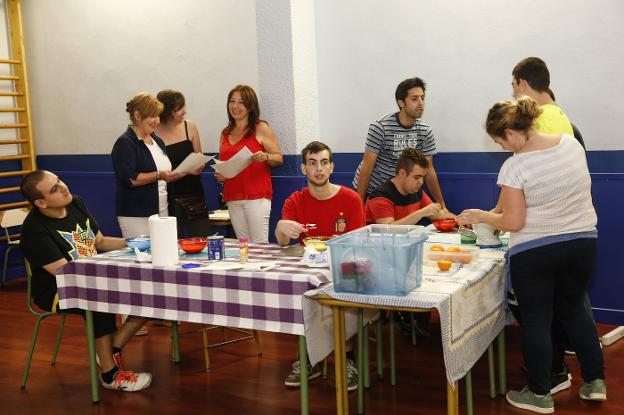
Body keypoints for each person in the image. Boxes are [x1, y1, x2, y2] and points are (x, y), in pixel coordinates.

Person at [457, 97, 605, 414]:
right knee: (575, 311)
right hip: (583, 244)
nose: (501, 148)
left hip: (537, 252)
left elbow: (513, 222)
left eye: (499, 141)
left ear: (512, 132)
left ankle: (540, 395)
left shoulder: (515, 166)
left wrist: (483, 216)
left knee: (537, 321)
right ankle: (594, 382)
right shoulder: (570, 144)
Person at [19, 170, 152, 391]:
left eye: (59, 180)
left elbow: (99, 241)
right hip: (56, 289)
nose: (63, 187)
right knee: (98, 301)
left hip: (90, 277)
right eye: (54, 189)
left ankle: (111, 351)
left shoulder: (75, 204)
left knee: (149, 293)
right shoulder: (34, 230)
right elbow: (65, 272)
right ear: (41, 203)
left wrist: (138, 242)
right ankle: (110, 376)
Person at [275, 141, 364, 391]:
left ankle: (347, 359)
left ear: (332, 167)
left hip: (346, 267)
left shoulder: (351, 199)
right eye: (312, 163)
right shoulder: (296, 200)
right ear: (303, 168)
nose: (319, 169)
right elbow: (282, 242)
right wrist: (281, 229)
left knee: (344, 291)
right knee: (297, 289)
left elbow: (359, 246)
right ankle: (310, 358)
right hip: (311, 271)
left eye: (324, 162)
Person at [112, 92, 183, 335]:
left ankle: (157, 313)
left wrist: (177, 173)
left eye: (157, 116)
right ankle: (128, 318)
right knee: (138, 265)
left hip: (161, 209)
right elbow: (131, 179)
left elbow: (164, 172)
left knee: (161, 263)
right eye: (152, 116)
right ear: (137, 115)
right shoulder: (125, 143)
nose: (156, 120)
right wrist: (159, 176)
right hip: (136, 212)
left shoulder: (157, 141)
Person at [352, 77, 446, 209]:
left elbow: (429, 169)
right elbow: (366, 167)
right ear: (401, 103)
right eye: (414, 99)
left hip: (401, 191)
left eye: (422, 98)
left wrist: (442, 204)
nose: (421, 103)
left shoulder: (425, 131)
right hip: (375, 191)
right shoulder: (381, 127)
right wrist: (360, 204)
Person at [216, 85, 282, 243]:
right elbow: (222, 163)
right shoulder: (225, 132)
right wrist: (220, 175)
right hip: (232, 196)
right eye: (232, 101)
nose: (235, 106)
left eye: (241, 102)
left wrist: (266, 156)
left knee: (259, 244)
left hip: (257, 196)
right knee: (243, 244)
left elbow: (278, 158)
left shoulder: (261, 127)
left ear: (250, 106)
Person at [155, 89, 210, 238]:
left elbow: (199, 157)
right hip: (169, 196)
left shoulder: (189, 126)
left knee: (202, 238)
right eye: (177, 109)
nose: (183, 111)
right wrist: (184, 172)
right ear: (166, 111)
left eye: (183, 106)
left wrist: (198, 166)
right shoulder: (153, 132)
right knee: (171, 240)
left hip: (194, 192)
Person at [365, 148, 453, 225]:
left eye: (423, 177)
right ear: (402, 173)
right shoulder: (380, 196)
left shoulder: (416, 191)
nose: (421, 182)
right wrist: (421, 213)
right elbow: (388, 230)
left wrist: (460, 219)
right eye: (417, 177)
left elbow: (437, 214)